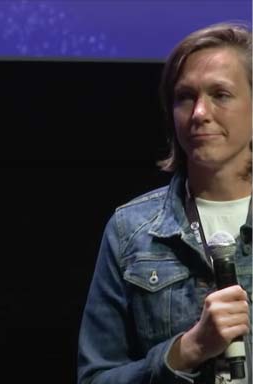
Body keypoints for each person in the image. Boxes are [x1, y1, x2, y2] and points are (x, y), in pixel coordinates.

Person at [77, 22, 251, 383]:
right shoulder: (131, 230)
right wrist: (186, 351)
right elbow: (95, 377)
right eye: (185, 96)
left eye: (220, 94)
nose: (199, 112)